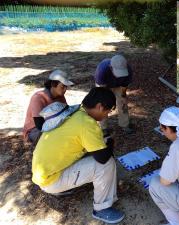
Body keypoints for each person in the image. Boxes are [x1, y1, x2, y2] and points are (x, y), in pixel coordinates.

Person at [31, 87, 125, 224]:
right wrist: (111, 142)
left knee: (95, 150)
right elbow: (103, 158)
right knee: (107, 164)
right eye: (108, 111)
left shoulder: (75, 112)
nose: (106, 116)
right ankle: (101, 209)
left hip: (42, 173)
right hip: (51, 180)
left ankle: (66, 187)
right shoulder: (87, 124)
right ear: (99, 107)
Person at [23, 69, 73, 144]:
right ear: (53, 84)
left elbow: (67, 113)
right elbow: (40, 125)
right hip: (35, 130)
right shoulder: (38, 98)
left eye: (66, 87)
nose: (65, 89)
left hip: (54, 125)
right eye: (63, 87)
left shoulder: (60, 97)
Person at [94, 54, 134, 135]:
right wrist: (110, 100)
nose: (119, 76)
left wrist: (123, 96)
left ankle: (124, 124)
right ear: (111, 67)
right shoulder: (102, 70)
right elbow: (102, 90)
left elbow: (124, 85)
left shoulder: (128, 70)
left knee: (123, 103)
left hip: (119, 85)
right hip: (105, 86)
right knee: (103, 104)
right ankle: (103, 128)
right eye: (118, 72)